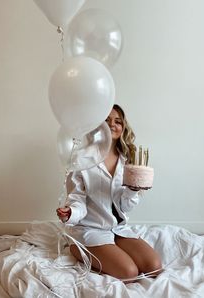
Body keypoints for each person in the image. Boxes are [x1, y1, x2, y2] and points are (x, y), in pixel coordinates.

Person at [57, 104, 162, 281]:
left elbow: (125, 207)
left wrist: (133, 190)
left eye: (118, 121)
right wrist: (71, 212)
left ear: (123, 127)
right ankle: (77, 247)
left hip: (118, 228)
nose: (112, 124)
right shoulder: (81, 158)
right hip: (90, 229)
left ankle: (111, 249)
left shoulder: (127, 158)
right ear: (96, 126)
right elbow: (77, 199)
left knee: (154, 267)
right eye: (106, 120)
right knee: (129, 273)